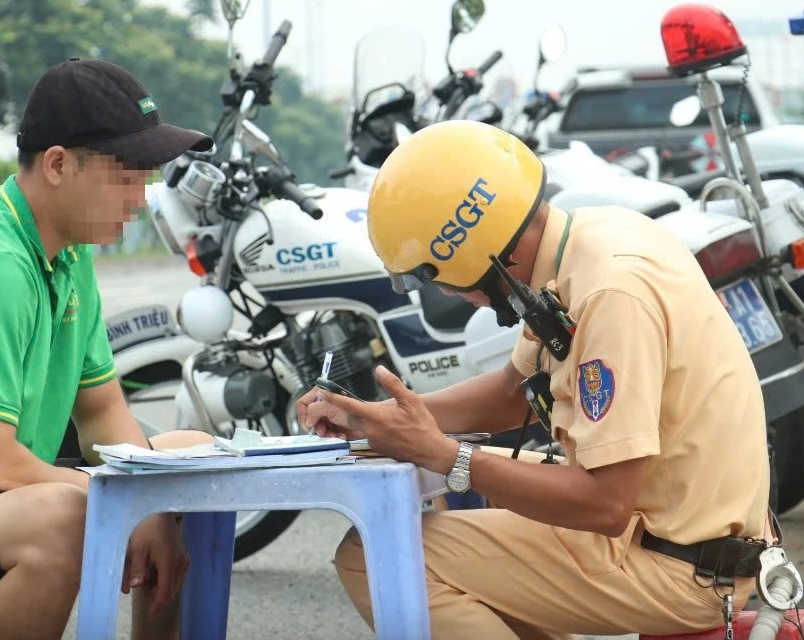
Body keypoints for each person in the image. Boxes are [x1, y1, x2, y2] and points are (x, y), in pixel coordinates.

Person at [299, 120, 777, 640]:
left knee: (372, 555)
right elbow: (514, 391)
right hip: (678, 532)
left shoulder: (608, 294)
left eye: (448, 283)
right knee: (480, 497)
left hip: (683, 568)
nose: (460, 298)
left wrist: (447, 456)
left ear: (470, 257)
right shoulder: (583, 243)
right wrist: (376, 417)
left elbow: (606, 504)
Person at [0, 58, 215, 640]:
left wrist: (156, 493)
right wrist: (136, 503)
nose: (140, 197)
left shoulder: (69, 255)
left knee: (194, 458)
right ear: (57, 164)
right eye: (128, 174)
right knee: (66, 519)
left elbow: (102, 413)